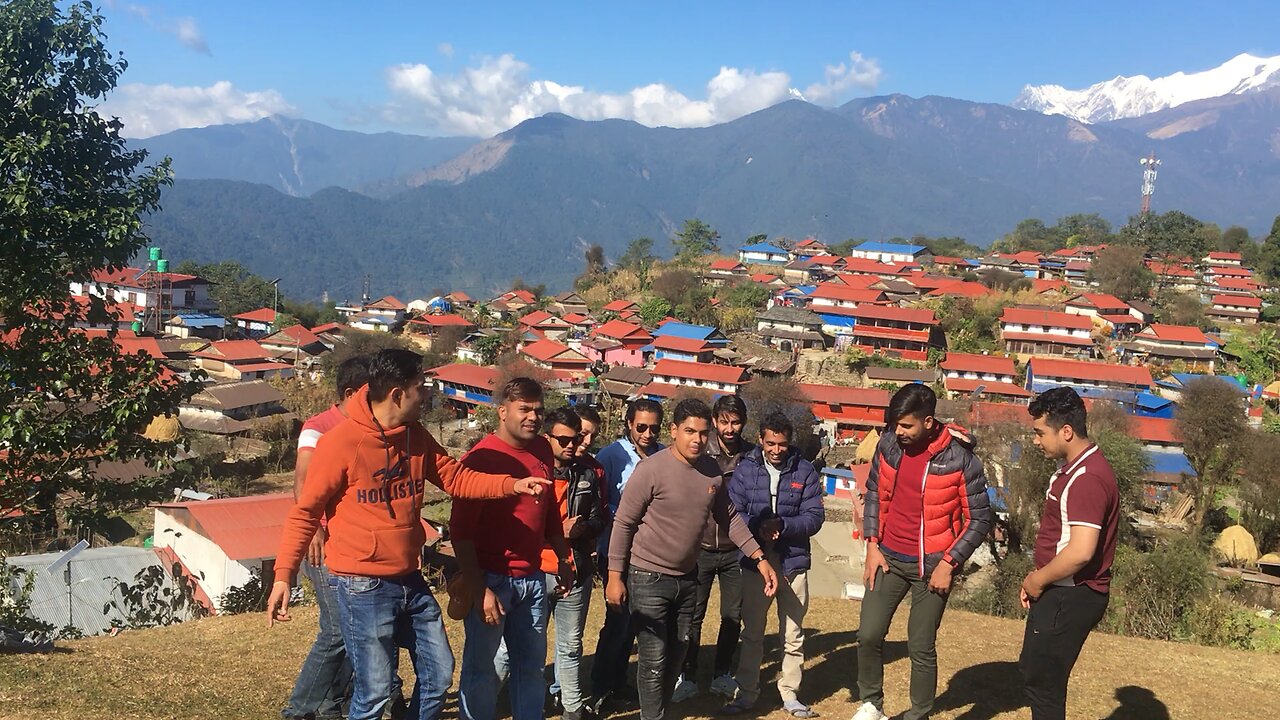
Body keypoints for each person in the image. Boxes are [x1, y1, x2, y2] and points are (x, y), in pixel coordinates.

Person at [267, 350, 551, 720]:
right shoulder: (341, 443)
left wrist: (512, 485)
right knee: (373, 693)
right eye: (421, 388)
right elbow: (305, 512)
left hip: (408, 578)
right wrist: (283, 575)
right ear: (398, 394)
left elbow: (456, 477)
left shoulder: (415, 435)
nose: (427, 394)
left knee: (438, 673)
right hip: (361, 583)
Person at [606, 398, 779, 720]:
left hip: (687, 577)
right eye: (689, 431)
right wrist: (615, 576)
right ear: (673, 431)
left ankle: (660, 710)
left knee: (678, 651)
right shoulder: (651, 470)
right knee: (654, 657)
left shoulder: (711, 472)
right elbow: (624, 523)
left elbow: (729, 518)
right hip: (647, 576)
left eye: (702, 432)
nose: (697, 439)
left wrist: (759, 557)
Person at [852, 385, 992, 720]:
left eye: (905, 426)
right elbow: (874, 494)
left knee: (920, 645)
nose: (897, 432)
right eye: (894, 424)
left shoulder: (961, 459)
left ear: (928, 421)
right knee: (868, 634)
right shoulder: (888, 445)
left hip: (933, 566)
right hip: (888, 557)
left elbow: (980, 518)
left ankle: (919, 714)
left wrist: (949, 562)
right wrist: (872, 545)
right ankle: (872, 703)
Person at [452, 378, 576, 720]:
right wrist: (480, 590)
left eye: (538, 410)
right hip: (492, 579)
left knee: (530, 667)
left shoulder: (540, 450)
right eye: (524, 410)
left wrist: (563, 556)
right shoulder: (480, 459)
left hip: (533, 578)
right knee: (481, 670)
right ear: (502, 411)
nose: (533, 417)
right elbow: (460, 534)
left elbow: (549, 509)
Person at [494, 407, 607, 720]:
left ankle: (571, 708)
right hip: (534, 571)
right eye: (564, 439)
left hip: (576, 569)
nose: (572, 445)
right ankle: (484, 700)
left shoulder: (588, 473)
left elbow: (601, 518)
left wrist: (584, 527)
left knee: (570, 646)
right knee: (517, 646)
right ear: (548, 438)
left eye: (577, 439)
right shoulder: (526, 472)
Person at [1019, 388, 1119, 720]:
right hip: (1059, 590)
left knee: (1044, 685)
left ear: (1066, 431)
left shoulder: (1087, 478)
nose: (1035, 440)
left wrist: (1037, 580)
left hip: (1070, 594)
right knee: (1037, 675)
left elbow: (1080, 551)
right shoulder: (1076, 469)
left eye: (1039, 432)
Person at [719, 413, 824, 718]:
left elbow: (815, 516)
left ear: (789, 442)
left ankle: (790, 692)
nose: (776, 450)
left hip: (792, 560)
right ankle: (747, 691)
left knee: (793, 632)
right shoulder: (745, 469)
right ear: (761, 439)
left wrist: (784, 525)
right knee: (752, 631)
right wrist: (758, 525)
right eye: (770, 443)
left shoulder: (804, 471)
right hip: (755, 559)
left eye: (782, 444)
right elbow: (732, 511)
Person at [282, 355, 369, 720]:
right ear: (350, 393)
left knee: (355, 631)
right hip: (322, 544)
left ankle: (333, 703)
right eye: (370, 393)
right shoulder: (319, 427)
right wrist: (316, 528)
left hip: (354, 546)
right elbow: (303, 484)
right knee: (336, 630)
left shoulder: (369, 427)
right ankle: (299, 709)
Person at [673, 395, 754, 703]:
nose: (729, 428)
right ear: (716, 421)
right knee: (693, 614)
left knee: (732, 615)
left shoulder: (752, 457)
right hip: (701, 547)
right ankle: (687, 674)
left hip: (736, 550)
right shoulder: (701, 452)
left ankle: (722, 672)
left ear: (743, 423)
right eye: (724, 421)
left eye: (735, 422)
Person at [590, 399, 664, 714]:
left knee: (637, 623)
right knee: (618, 622)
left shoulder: (663, 455)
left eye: (654, 428)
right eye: (641, 427)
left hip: (651, 554)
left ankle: (619, 681)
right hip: (617, 552)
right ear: (629, 424)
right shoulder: (611, 456)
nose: (647, 434)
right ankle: (601, 686)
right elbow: (599, 501)